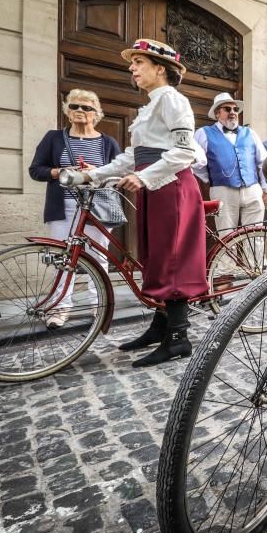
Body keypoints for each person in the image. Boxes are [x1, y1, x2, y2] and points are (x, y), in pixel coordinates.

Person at [74, 38, 208, 367]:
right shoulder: (149, 107)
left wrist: (145, 177)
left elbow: (185, 151)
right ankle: (161, 327)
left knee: (172, 259)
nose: (132, 69)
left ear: (159, 68)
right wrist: (94, 175)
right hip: (155, 186)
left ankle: (178, 338)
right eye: (132, 63)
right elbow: (133, 156)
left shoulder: (173, 101)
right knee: (155, 256)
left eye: (139, 63)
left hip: (172, 187)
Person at [29, 89, 122, 328]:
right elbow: (36, 170)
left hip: (97, 207)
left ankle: (98, 305)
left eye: (87, 107)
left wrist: (96, 172)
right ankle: (60, 307)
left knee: (99, 258)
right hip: (63, 207)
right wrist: (60, 172)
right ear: (67, 112)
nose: (80, 111)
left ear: (96, 114)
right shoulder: (53, 138)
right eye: (75, 107)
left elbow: (119, 176)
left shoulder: (108, 143)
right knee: (62, 258)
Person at [193, 93, 267, 235]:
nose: (233, 113)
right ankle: (227, 259)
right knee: (227, 235)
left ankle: (255, 259)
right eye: (227, 109)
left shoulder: (250, 133)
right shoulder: (203, 133)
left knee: (255, 235)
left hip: (252, 189)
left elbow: (263, 162)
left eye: (235, 110)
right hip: (223, 190)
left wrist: (266, 189)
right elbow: (196, 163)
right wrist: (210, 178)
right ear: (217, 113)